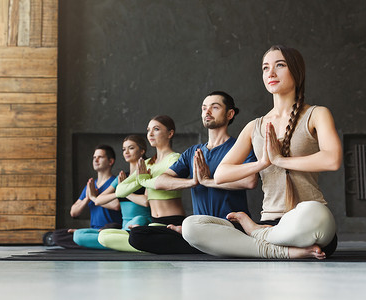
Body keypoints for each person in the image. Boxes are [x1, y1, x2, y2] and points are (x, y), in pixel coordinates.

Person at [182, 45, 342, 259]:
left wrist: (280, 160)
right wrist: (263, 163)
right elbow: (221, 174)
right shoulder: (254, 126)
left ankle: (257, 235)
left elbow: (332, 159)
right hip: (270, 219)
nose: (271, 73)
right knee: (191, 226)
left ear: (296, 71)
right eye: (265, 68)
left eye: (280, 65)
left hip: (306, 220)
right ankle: (278, 249)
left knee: (315, 214)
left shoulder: (317, 114)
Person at [132, 91, 257, 254]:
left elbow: (250, 181)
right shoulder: (193, 152)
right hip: (199, 228)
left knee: (188, 230)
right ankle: (196, 240)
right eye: (204, 108)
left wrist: (208, 181)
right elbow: (161, 181)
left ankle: (199, 240)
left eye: (215, 107)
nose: (207, 112)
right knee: (137, 235)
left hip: (230, 227)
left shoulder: (239, 147)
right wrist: (192, 182)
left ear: (230, 114)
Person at [104, 115, 188, 253]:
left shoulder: (175, 158)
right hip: (154, 222)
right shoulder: (147, 163)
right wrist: (142, 179)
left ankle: (148, 243)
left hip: (172, 221)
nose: (150, 133)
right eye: (148, 130)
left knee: (136, 236)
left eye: (156, 129)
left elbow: (161, 183)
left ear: (170, 133)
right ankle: (150, 245)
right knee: (104, 236)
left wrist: (143, 180)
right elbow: (120, 190)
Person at [84, 135, 152, 251]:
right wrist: (94, 196)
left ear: (142, 151)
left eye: (130, 148)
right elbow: (99, 200)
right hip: (124, 227)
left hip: (141, 222)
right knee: (79, 235)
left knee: (138, 220)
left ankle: (121, 242)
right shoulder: (122, 177)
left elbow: (145, 201)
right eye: (124, 149)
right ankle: (126, 242)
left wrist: (124, 192)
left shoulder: (146, 172)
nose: (126, 152)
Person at [51, 145, 122, 249]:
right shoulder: (91, 185)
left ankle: (88, 240)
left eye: (100, 157)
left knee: (112, 228)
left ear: (110, 161)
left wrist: (95, 197)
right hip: (92, 230)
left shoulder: (115, 182)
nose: (96, 160)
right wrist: (87, 198)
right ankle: (91, 240)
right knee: (57, 236)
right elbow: (73, 212)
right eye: (94, 157)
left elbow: (116, 205)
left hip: (110, 229)